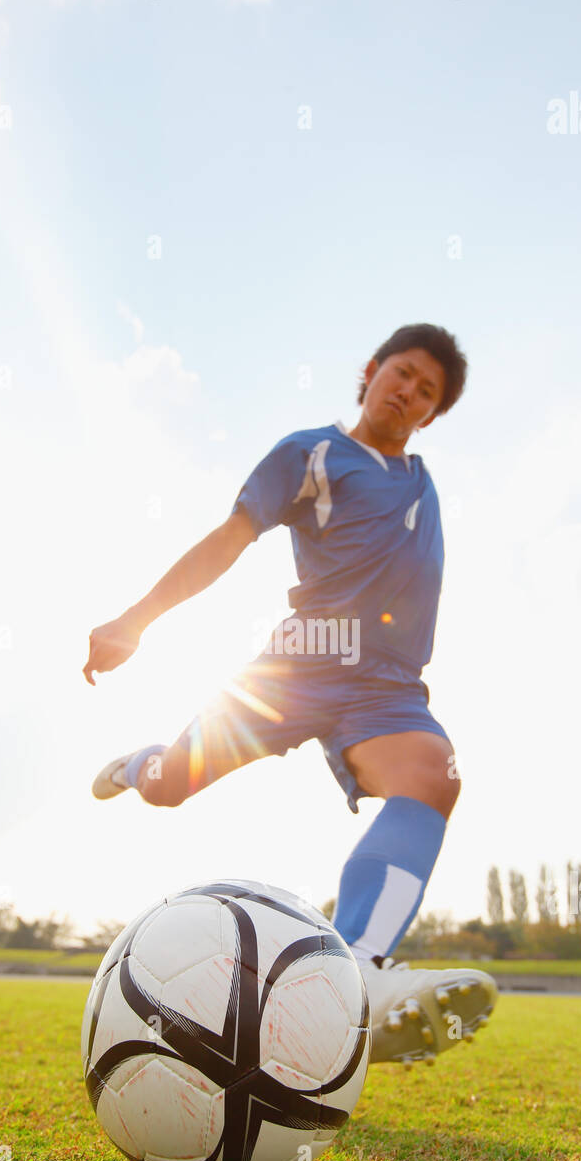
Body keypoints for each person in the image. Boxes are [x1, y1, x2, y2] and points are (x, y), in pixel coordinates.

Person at [83, 322, 497, 1067]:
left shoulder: (421, 480)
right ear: (370, 371)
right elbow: (231, 536)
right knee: (172, 785)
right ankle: (144, 761)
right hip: (294, 671)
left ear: (433, 414)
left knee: (434, 775)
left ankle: (363, 970)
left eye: (427, 391)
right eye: (402, 373)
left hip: (386, 690)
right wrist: (135, 620)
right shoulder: (311, 453)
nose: (409, 392)